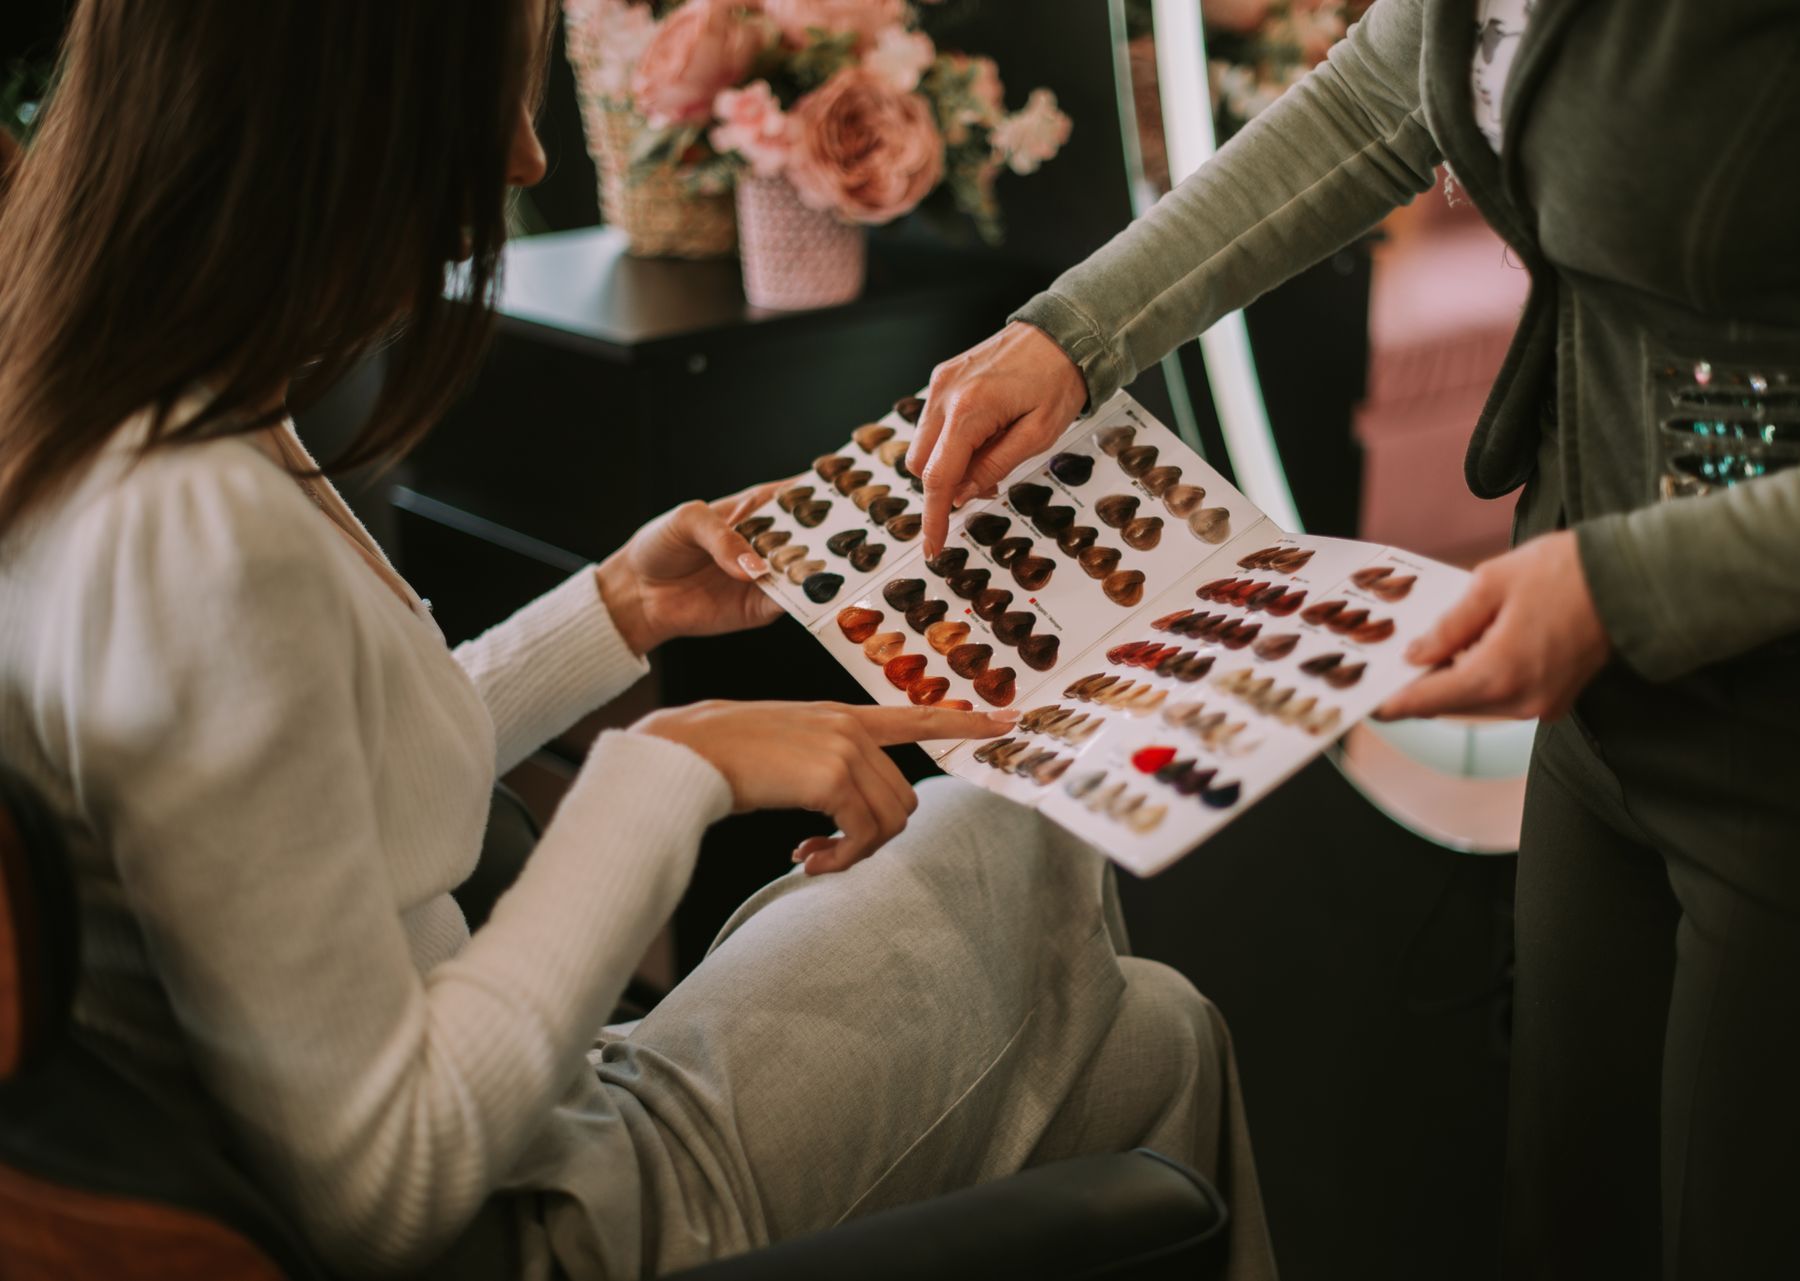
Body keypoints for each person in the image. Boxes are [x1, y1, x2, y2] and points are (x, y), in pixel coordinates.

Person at [0, 4, 1278, 1279]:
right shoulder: (198, 533)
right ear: (339, 118)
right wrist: (675, 769)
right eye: (494, 100)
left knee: (1158, 1042)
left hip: (532, 1133)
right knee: (1013, 822)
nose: (526, 159)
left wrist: (618, 609)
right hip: (546, 1218)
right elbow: (389, 1190)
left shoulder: (121, 407)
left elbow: (332, 790)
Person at [907, 1, 1800, 1276]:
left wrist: (1637, 584)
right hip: (1606, 701)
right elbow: (1385, 97)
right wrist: (1078, 330)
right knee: (1569, 1218)